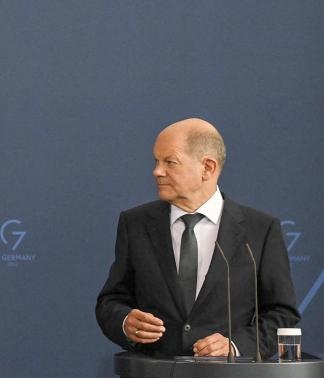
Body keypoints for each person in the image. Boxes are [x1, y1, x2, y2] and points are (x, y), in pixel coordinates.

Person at [96, 118, 299, 358]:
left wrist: (235, 346)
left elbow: (282, 315)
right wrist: (125, 322)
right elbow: (111, 301)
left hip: (226, 374)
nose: (157, 172)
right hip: (154, 370)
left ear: (208, 168)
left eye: (170, 162)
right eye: (156, 161)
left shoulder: (260, 230)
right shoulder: (135, 224)